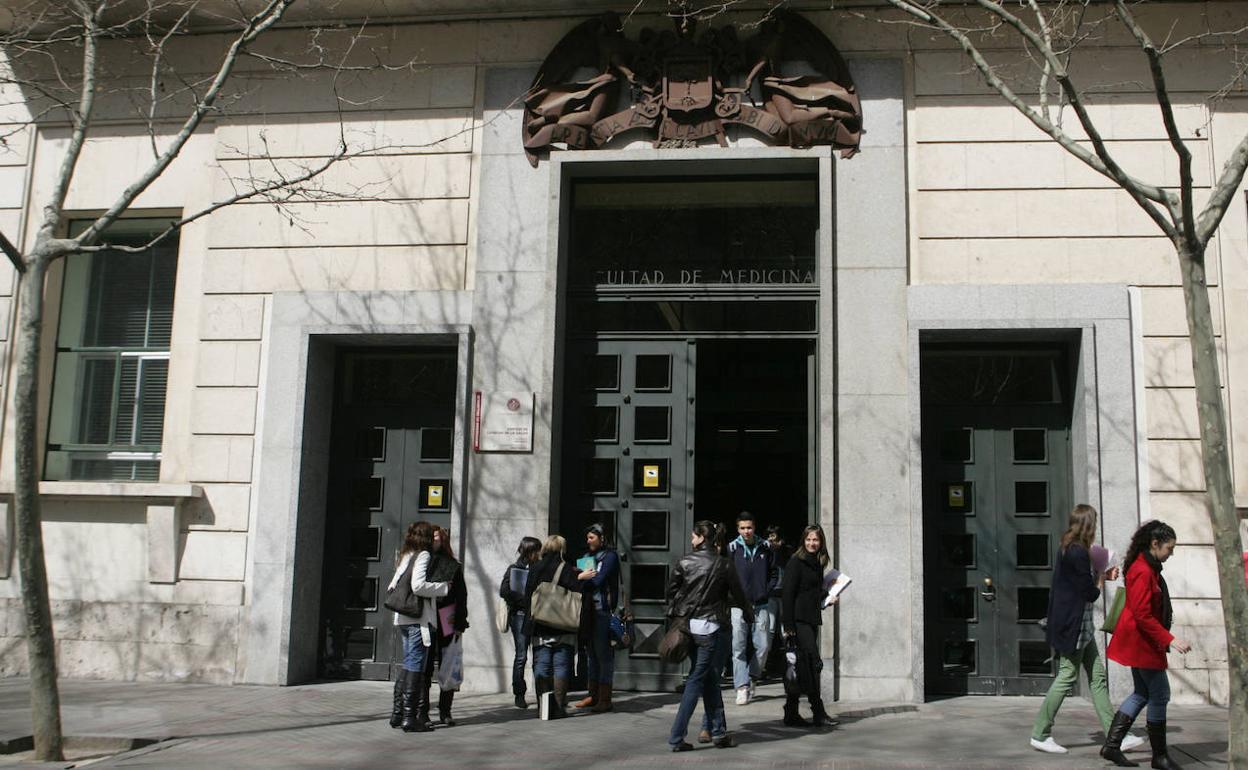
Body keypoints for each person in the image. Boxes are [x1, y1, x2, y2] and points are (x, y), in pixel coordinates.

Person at [1030, 505, 1144, 754]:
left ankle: (1116, 736)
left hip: (1080, 626)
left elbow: (1081, 582)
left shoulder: (1069, 547)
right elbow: (1090, 593)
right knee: (1067, 677)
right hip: (1074, 627)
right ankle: (1040, 733)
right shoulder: (1077, 552)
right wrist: (1102, 577)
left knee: (1097, 677)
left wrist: (1101, 574)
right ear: (1089, 526)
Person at [1101, 520, 1192, 769]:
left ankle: (1111, 746)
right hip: (1142, 643)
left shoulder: (1146, 567)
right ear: (1155, 544)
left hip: (1140, 641)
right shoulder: (1143, 570)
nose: (1171, 553)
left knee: (1142, 693)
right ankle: (1159, 756)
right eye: (1169, 548)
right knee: (1159, 695)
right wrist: (1170, 639)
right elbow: (1142, 615)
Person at [667, 520, 753, 752]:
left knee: (709, 679)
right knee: (697, 680)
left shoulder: (684, 562)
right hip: (711, 627)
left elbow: (672, 593)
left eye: (694, 536)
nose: (691, 539)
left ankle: (718, 732)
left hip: (689, 628)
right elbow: (739, 595)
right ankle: (677, 737)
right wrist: (749, 614)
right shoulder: (724, 564)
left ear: (702, 537)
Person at [386, 521, 450, 733]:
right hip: (417, 619)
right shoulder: (423, 555)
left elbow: (393, 585)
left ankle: (398, 713)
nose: (435, 539)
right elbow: (418, 586)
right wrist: (442, 587)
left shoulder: (407, 555)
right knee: (415, 666)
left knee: (408, 664)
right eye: (432, 536)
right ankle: (409, 717)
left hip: (404, 617)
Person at [780, 524, 836, 728]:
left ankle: (791, 712)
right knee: (812, 664)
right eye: (809, 539)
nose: (812, 543)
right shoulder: (796, 562)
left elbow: (811, 592)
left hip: (810, 620)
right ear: (803, 541)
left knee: (801, 665)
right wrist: (788, 626)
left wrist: (828, 597)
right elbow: (787, 594)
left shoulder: (817, 563)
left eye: (816, 540)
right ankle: (818, 711)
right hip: (797, 621)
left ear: (821, 542)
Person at [524, 534, 584, 718]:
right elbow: (576, 595)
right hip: (563, 625)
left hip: (539, 624)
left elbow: (528, 595)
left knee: (542, 665)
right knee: (561, 666)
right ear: (561, 549)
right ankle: (557, 706)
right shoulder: (567, 569)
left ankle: (543, 707)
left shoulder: (535, 568)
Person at [726, 512, 777, 705]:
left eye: (749, 527)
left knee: (763, 645)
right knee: (738, 646)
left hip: (761, 604)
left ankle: (752, 677)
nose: (746, 531)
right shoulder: (731, 548)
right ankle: (741, 687)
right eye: (742, 528)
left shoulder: (766, 547)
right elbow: (727, 575)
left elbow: (774, 573)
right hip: (739, 606)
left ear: (754, 527)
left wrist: (766, 590)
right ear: (738, 529)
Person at [419, 525, 468, 729]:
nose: (435, 541)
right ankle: (422, 711)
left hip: (448, 617)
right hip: (427, 617)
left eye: (438, 538)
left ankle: (445, 710)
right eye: (432, 538)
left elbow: (461, 596)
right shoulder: (422, 562)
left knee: (450, 664)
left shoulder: (453, 566)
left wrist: (459, 623)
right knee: (425, 666)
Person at [573, 523, 621, 713]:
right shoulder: (586, 557)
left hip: (602, 611)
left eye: (591, 537)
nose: (588, 541)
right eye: (587, 538)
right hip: (587, 611)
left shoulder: (610, 557)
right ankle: (592, 695)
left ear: (602, 538)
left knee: (603, 655)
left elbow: (597, 581)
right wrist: (581, 578)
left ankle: (605, 698)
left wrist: (582, 578)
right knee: (591, 653)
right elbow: (579, 581)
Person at [500, 536, 542, 709]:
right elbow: (504, 591)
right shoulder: (514, 569)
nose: (539, 554)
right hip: (519, 614)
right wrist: (523, 600)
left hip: (537, 615)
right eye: (537, 550)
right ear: (529, 552)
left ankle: (541, 693)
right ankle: (519, 693)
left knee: (539, 656)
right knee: (521, 655)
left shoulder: (539, 568)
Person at [765, 525, 794, 677]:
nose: (771, 539)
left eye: (773, 535)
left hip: (784, 594)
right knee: (769, 629)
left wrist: (780, 549)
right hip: (771, 594)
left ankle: (789, 664)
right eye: (769, 536)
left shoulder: (786, 550)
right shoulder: (766, 550)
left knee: (785, 630)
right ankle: (766, 664)